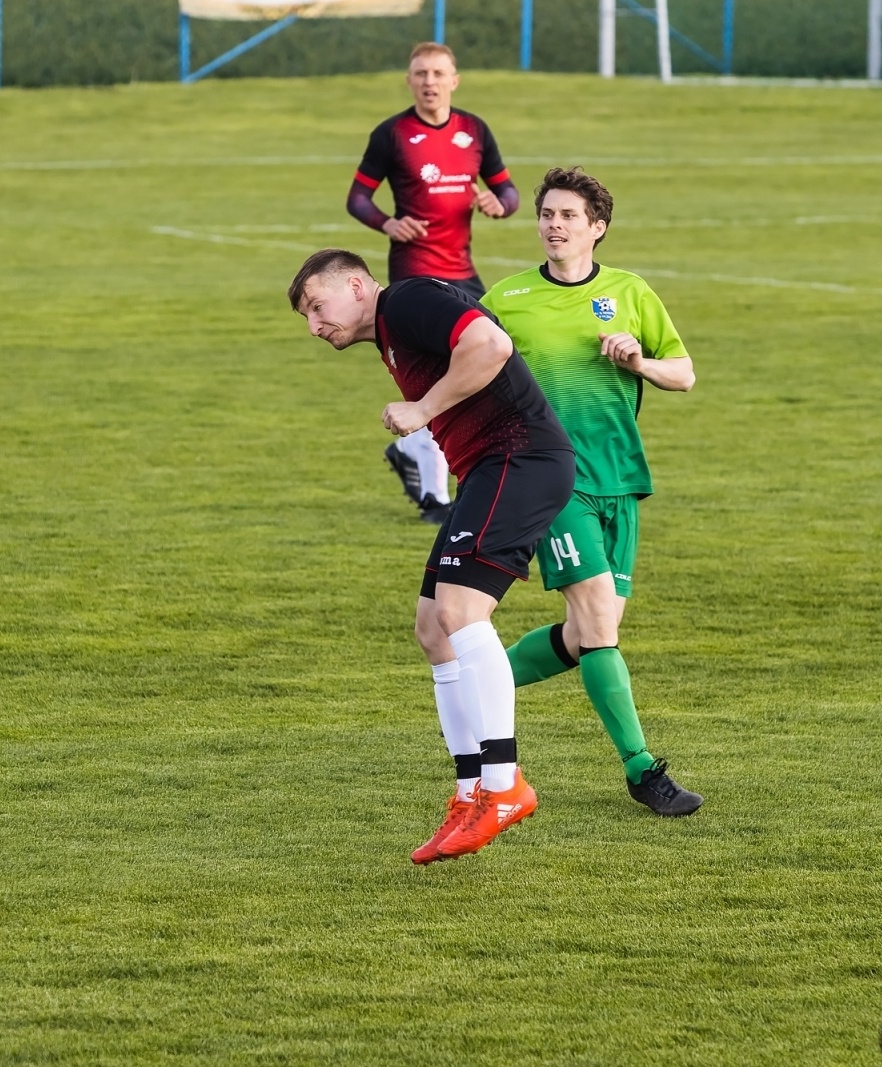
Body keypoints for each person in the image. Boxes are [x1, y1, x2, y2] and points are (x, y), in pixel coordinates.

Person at [289, 249, 574, 864]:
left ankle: (504, 787)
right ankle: (470, 790)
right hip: (490, 471)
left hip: (519, 459)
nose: (315, 326)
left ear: (359, 286)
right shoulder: (390, 330)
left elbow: (491, 346)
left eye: (318, 306)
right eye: (307, 318)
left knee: (462, 613)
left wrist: (422, 410)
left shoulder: (409, 300)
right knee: (432, 628)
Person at [481, 167, 704, 816]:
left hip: (621, 478)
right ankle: (642, 770)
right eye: (546, 213)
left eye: (567, 215)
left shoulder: (631, 294)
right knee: (600, 624)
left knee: (586, 635)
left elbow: (682, 374)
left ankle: (474, 687)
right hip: (552, 480)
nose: (553, 224)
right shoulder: (509, 297)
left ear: (597, 228)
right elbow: (472, 375)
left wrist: (639, 362)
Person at [348, 41, 523, 525]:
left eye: (438, 73)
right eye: (420, 73)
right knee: (433, 378)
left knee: (487, 360)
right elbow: (358, 198)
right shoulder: (392, 134)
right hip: (413, 273)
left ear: (454, 79)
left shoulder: (474, 130)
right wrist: (387, 223)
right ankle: (434, 498)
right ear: (409, 80)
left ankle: (414, 457)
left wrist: (499, 204)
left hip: (463, 272)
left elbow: (507, 190)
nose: (429, 81)